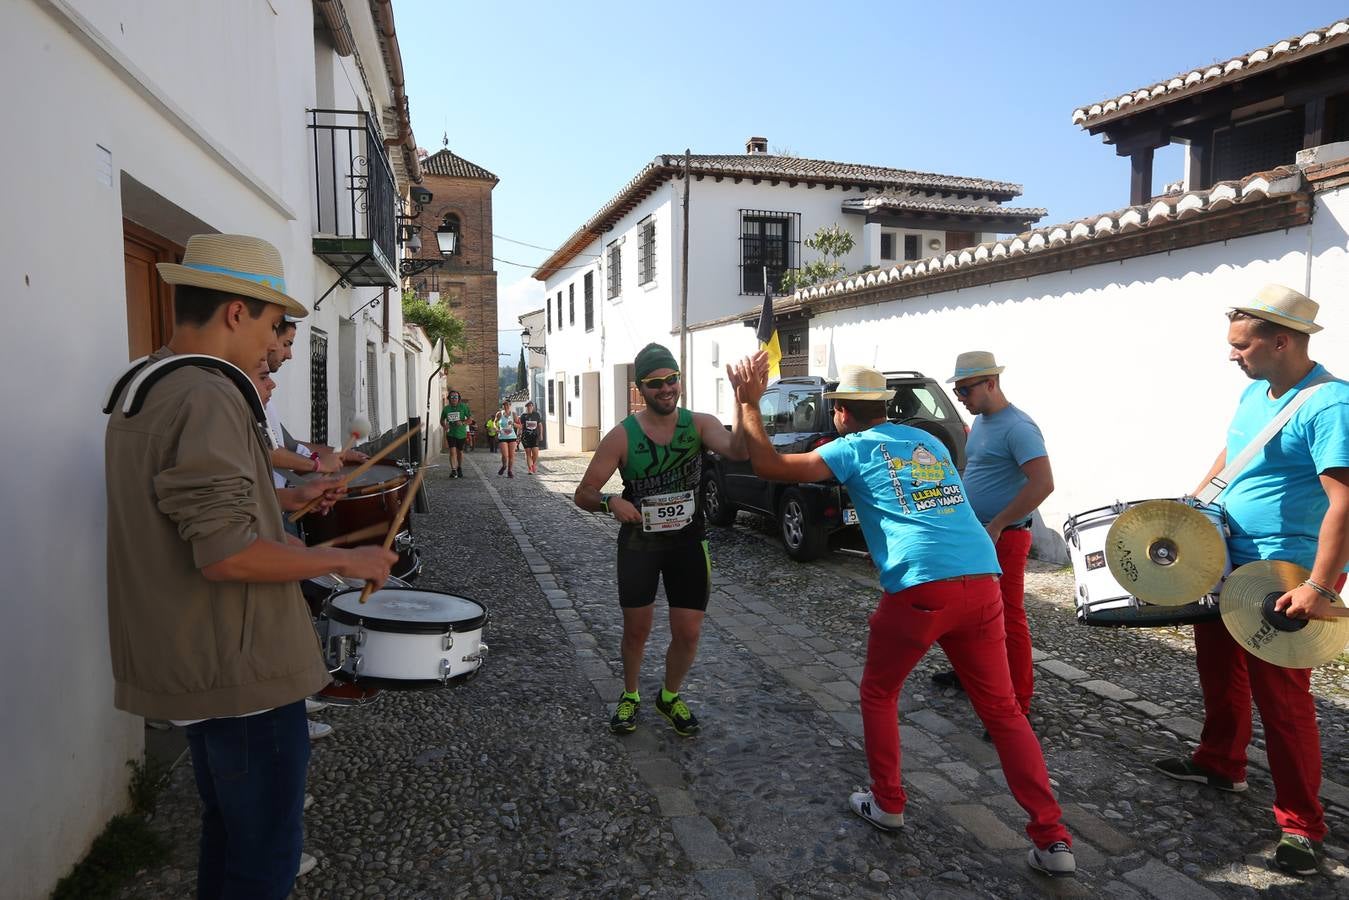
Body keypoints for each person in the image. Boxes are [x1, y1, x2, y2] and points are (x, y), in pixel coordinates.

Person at [104, 233, 398, 898]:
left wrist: (283, 501)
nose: (273, 346)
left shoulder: (150, 379)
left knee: (232, 836)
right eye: (271, 325)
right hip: (239, 667)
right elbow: (227, 553)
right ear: (236, 311)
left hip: (195, 655)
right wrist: (343, 558)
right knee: (263, 856)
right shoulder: (207, 394)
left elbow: (184, 509)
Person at [725, 352, 1076, 878]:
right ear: (883, 407)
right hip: (982, 576)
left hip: (921, 586)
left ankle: (887, 801)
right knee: (1004, 713)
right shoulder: (928, 441)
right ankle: (1053, 839)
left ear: (842, 411)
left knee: (879, 692)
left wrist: (750, 403)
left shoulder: (851, 447)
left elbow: (769, 467)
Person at [1152, 284, 1349, 877]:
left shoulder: (1330, 404)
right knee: (1218, 671)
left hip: (1282, 575)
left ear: (1281, 341)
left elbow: (1344, 502)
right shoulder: (1256, 393)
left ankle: (1302, 825)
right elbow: (1236, 452)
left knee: (1283, 703)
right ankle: (1220, 762)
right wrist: (1194, 503)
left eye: (1242, 345)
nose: (1232, 355)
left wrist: (1320, 587)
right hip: (1226, 559)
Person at [574, 343, 748, 737]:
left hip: (688, 543)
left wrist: (743, 401)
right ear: (640, 388)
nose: (666, 388)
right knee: (637, 630)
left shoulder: (699, 424)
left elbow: (738, 450)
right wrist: (610, 502)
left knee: (688, 632)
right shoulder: (622, 436)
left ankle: (669, 696)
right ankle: (630, 694)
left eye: (672, 379)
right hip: (640, 546)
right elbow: (583, 493)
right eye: (655, 383)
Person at [931, 352, 1053, 730]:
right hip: (978, 533)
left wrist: (998, 525)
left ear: (991, 383)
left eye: (965, 390)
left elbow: (1043, 483)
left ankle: (1019, 703)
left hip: (1004, 536)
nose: (960, 398)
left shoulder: (1019, 427)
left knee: (1008, 618)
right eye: (957, 391)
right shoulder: (982, 422)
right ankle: (970, 675)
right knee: (969, 611)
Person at [441, 389, 470, 478]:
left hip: (461, 434)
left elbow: (470, 420)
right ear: (449, 398)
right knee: (452, 451)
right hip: (451, 434)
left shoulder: (463, 407)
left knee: (459, 452)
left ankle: (459, 467)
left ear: (458, 398)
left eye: (456, 397)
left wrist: (462, 423)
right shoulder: (446, 409)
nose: (454, 398)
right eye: (452, 397)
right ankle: (453, 470)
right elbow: (442, 420)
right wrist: (444, 426)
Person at [496, 400, 520, 477]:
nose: (506, 406)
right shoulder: (499, 413)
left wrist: (513, 423)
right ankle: (504, 466)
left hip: (512, 437)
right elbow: (494, 422)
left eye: (507, 405)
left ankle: (510, 471)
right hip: (502, 436)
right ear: (502, 406)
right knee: (505, 455)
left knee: (511, 456)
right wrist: (496, 428)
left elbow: (520, 426)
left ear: (510, 405)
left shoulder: (513, 414)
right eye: (504, 405)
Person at [519, 400, 544, 474]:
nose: (529, 407)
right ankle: (530, 469)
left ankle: (533, 464)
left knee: (535, 453)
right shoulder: (523, 416)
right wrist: (519, 435)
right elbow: (521, 427)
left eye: (530, 406)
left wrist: (541, 434)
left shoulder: (536, 415)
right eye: (528, 406)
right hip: (525, 437)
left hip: (535, 437)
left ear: (533, 407)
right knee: (528, 453)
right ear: (526, 407)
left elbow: (540, 425)